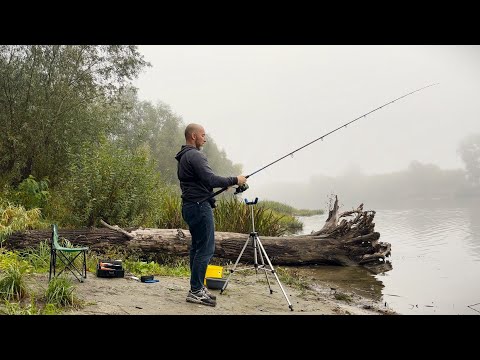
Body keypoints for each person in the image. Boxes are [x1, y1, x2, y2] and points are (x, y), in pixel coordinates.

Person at [175, 123, 247, 307]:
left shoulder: (184, 157)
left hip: (190, 206)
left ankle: (196, 288)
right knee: (206, 249)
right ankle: (196, 291)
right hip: (199, 207)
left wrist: (226, 183)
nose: (205, 139)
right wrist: (236, 179)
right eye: (203, 135)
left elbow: (203, 182)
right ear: (193, 136)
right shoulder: (195, 155)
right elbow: (211, 179)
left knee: (197, 248)